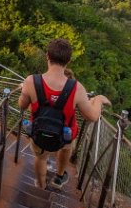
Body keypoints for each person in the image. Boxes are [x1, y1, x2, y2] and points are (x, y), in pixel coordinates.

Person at [18, 38, 111, 190]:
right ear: (68, 60)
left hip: (38, 130)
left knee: (41, 158)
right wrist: (98, 99)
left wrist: (24, 92)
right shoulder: (77, 88)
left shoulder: (30, 81)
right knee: (66, 149)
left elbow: (22, 105)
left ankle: (41, 185)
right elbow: (93, 116)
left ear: (47, 56)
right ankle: (59, 176)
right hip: (65, 133)